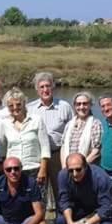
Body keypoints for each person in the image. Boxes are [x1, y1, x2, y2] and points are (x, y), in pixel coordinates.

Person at [27, 72, 74, 208]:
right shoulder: (30, 108)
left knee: (61, 189)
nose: (45, 90)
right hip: (38, 155)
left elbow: (72, 130)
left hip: (57, 154)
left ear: (53, 87)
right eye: (41, 87)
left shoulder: (64, 106)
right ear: (37, 89)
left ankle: (62, 222)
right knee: (37, 190)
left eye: (48, 86)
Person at [0, 88, 50, 183]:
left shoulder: (37, 120)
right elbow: (3, 149)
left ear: (24, 103)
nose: (15, 107)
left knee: (36, 197)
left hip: (34, 169)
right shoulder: (4, 123)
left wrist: (43, 170)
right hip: (13, 171)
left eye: (18, 104)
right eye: (11, 105)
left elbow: (45, 147)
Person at [60, 91, 102, 168]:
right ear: (74, 106)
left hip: (86, 168)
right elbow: (63, 146)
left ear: (90, 105)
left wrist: (80, 166)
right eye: (78, 104)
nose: (81, 107)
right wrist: (64, 166)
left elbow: (96, 151)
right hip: (68, 168)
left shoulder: (95, 124)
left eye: (85, 104)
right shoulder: (69, 124)